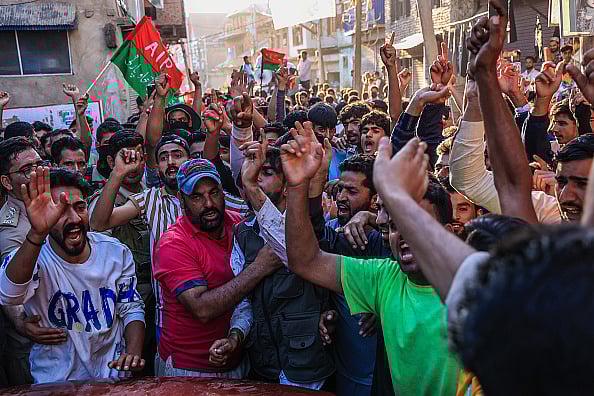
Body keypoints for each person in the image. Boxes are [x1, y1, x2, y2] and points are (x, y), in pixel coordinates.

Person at [281, 122, 461, 394]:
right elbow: (304, 261)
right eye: (397, 224)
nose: (404, 234)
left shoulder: (476, 285)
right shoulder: (385, 278)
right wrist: (298, 185)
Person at [0, 167, 145, 383]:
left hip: (113, 379)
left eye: (80, 207)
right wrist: (37, 233)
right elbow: (9, 295)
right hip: (55, 383)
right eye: (60, 210)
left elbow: (131, 307)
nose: (74, 218)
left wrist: (132, 354)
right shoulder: (33, 257)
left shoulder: (115, 251)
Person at [230, 140, 334, 389]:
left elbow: (291, 249)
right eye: (255, 171)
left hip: (304, 367)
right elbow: (242, 299)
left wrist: (250, 186)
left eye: (266, 173)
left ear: (288, 184)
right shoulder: (243, 232)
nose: (257, 177)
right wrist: (236, 335)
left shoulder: (307, 226)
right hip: (262, 364)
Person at [89, 133, 190, 350]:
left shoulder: (214, 197)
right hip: (160, 309)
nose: (171, 162)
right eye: (163, 157)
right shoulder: (150, 199)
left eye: (177, 155)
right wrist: (118, 173)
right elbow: (98, 224)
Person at [152, 159, 249, 378]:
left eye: (214, 193)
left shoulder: (238, 225)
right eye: (196, 197)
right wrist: (259, 268)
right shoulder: (174, 243)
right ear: (181, 200)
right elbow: (202, 309)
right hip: (189, 369)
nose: (208, 204)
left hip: (238, 361)